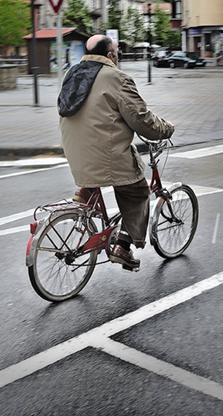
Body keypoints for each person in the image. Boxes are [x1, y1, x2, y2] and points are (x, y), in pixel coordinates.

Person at [57, 35, 174, 271]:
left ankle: (86, 190)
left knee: (97, 167)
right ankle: (123, 246)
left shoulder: (72, 74)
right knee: (138, 191)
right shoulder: (117, 78)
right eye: (117, 51)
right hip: (105, 156)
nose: (117, 55)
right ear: (110, 54)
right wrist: (165, 129)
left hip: (74, 153)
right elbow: (142, 120)